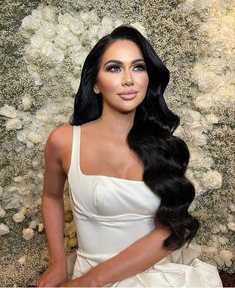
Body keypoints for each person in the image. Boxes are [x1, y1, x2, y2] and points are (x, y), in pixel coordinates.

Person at [37, 25, 222, 287]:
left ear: (149, 79)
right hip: (89, 268)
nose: (128, 79)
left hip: (157, 277)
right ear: (95, 84)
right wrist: (57, 263)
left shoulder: (166, 148)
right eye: (114, 68)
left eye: (138, 67)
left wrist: (88, 283)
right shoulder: (64, 141)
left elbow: (172, 229)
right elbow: (51, 196)